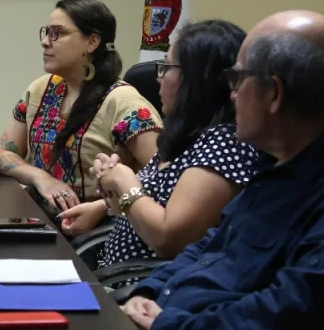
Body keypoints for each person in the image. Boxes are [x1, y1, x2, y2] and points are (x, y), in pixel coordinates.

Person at [121, 10, 324, 330]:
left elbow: (293, 312)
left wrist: (169, 326)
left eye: (237, 80)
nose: (231, 95)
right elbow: (209, 247)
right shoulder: (281, 165)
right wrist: (150, 292)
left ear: (273, 93)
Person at [63, 20, 257, 275]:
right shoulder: (183, 137)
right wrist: (110, 195)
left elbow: (168, 239)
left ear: (196, 78)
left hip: (148, 293)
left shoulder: (225, 144)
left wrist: (124, 183)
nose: (158, 77)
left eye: (166, 67)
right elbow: (152, 203)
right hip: (114, 276)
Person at [0, 0, 161, 222]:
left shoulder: (123, 102)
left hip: (97, 232)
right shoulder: (41, 89)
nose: (45, 42)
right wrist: (41, 178)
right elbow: (1, 154)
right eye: (46, 32)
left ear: (92, 42)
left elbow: (165, 176)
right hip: (38, 224)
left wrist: (104, 207)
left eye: (57, 33)